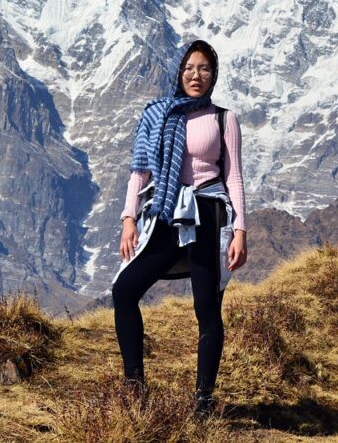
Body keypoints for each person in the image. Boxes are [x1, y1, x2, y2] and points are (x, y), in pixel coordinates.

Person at [111, 39, 248, 414]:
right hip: (168, 212)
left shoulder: (223, 118)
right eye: (189, 67)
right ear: (179, 71)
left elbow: (234, 176)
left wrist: (240, 231)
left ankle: (203, 400)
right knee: (125, 290)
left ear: (213, 75)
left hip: (208, 213)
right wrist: (128, 219)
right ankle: (134, 387)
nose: (196, 75)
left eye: (204, 69)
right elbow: (140, 171)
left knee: (207, 308)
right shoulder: (158, 115)